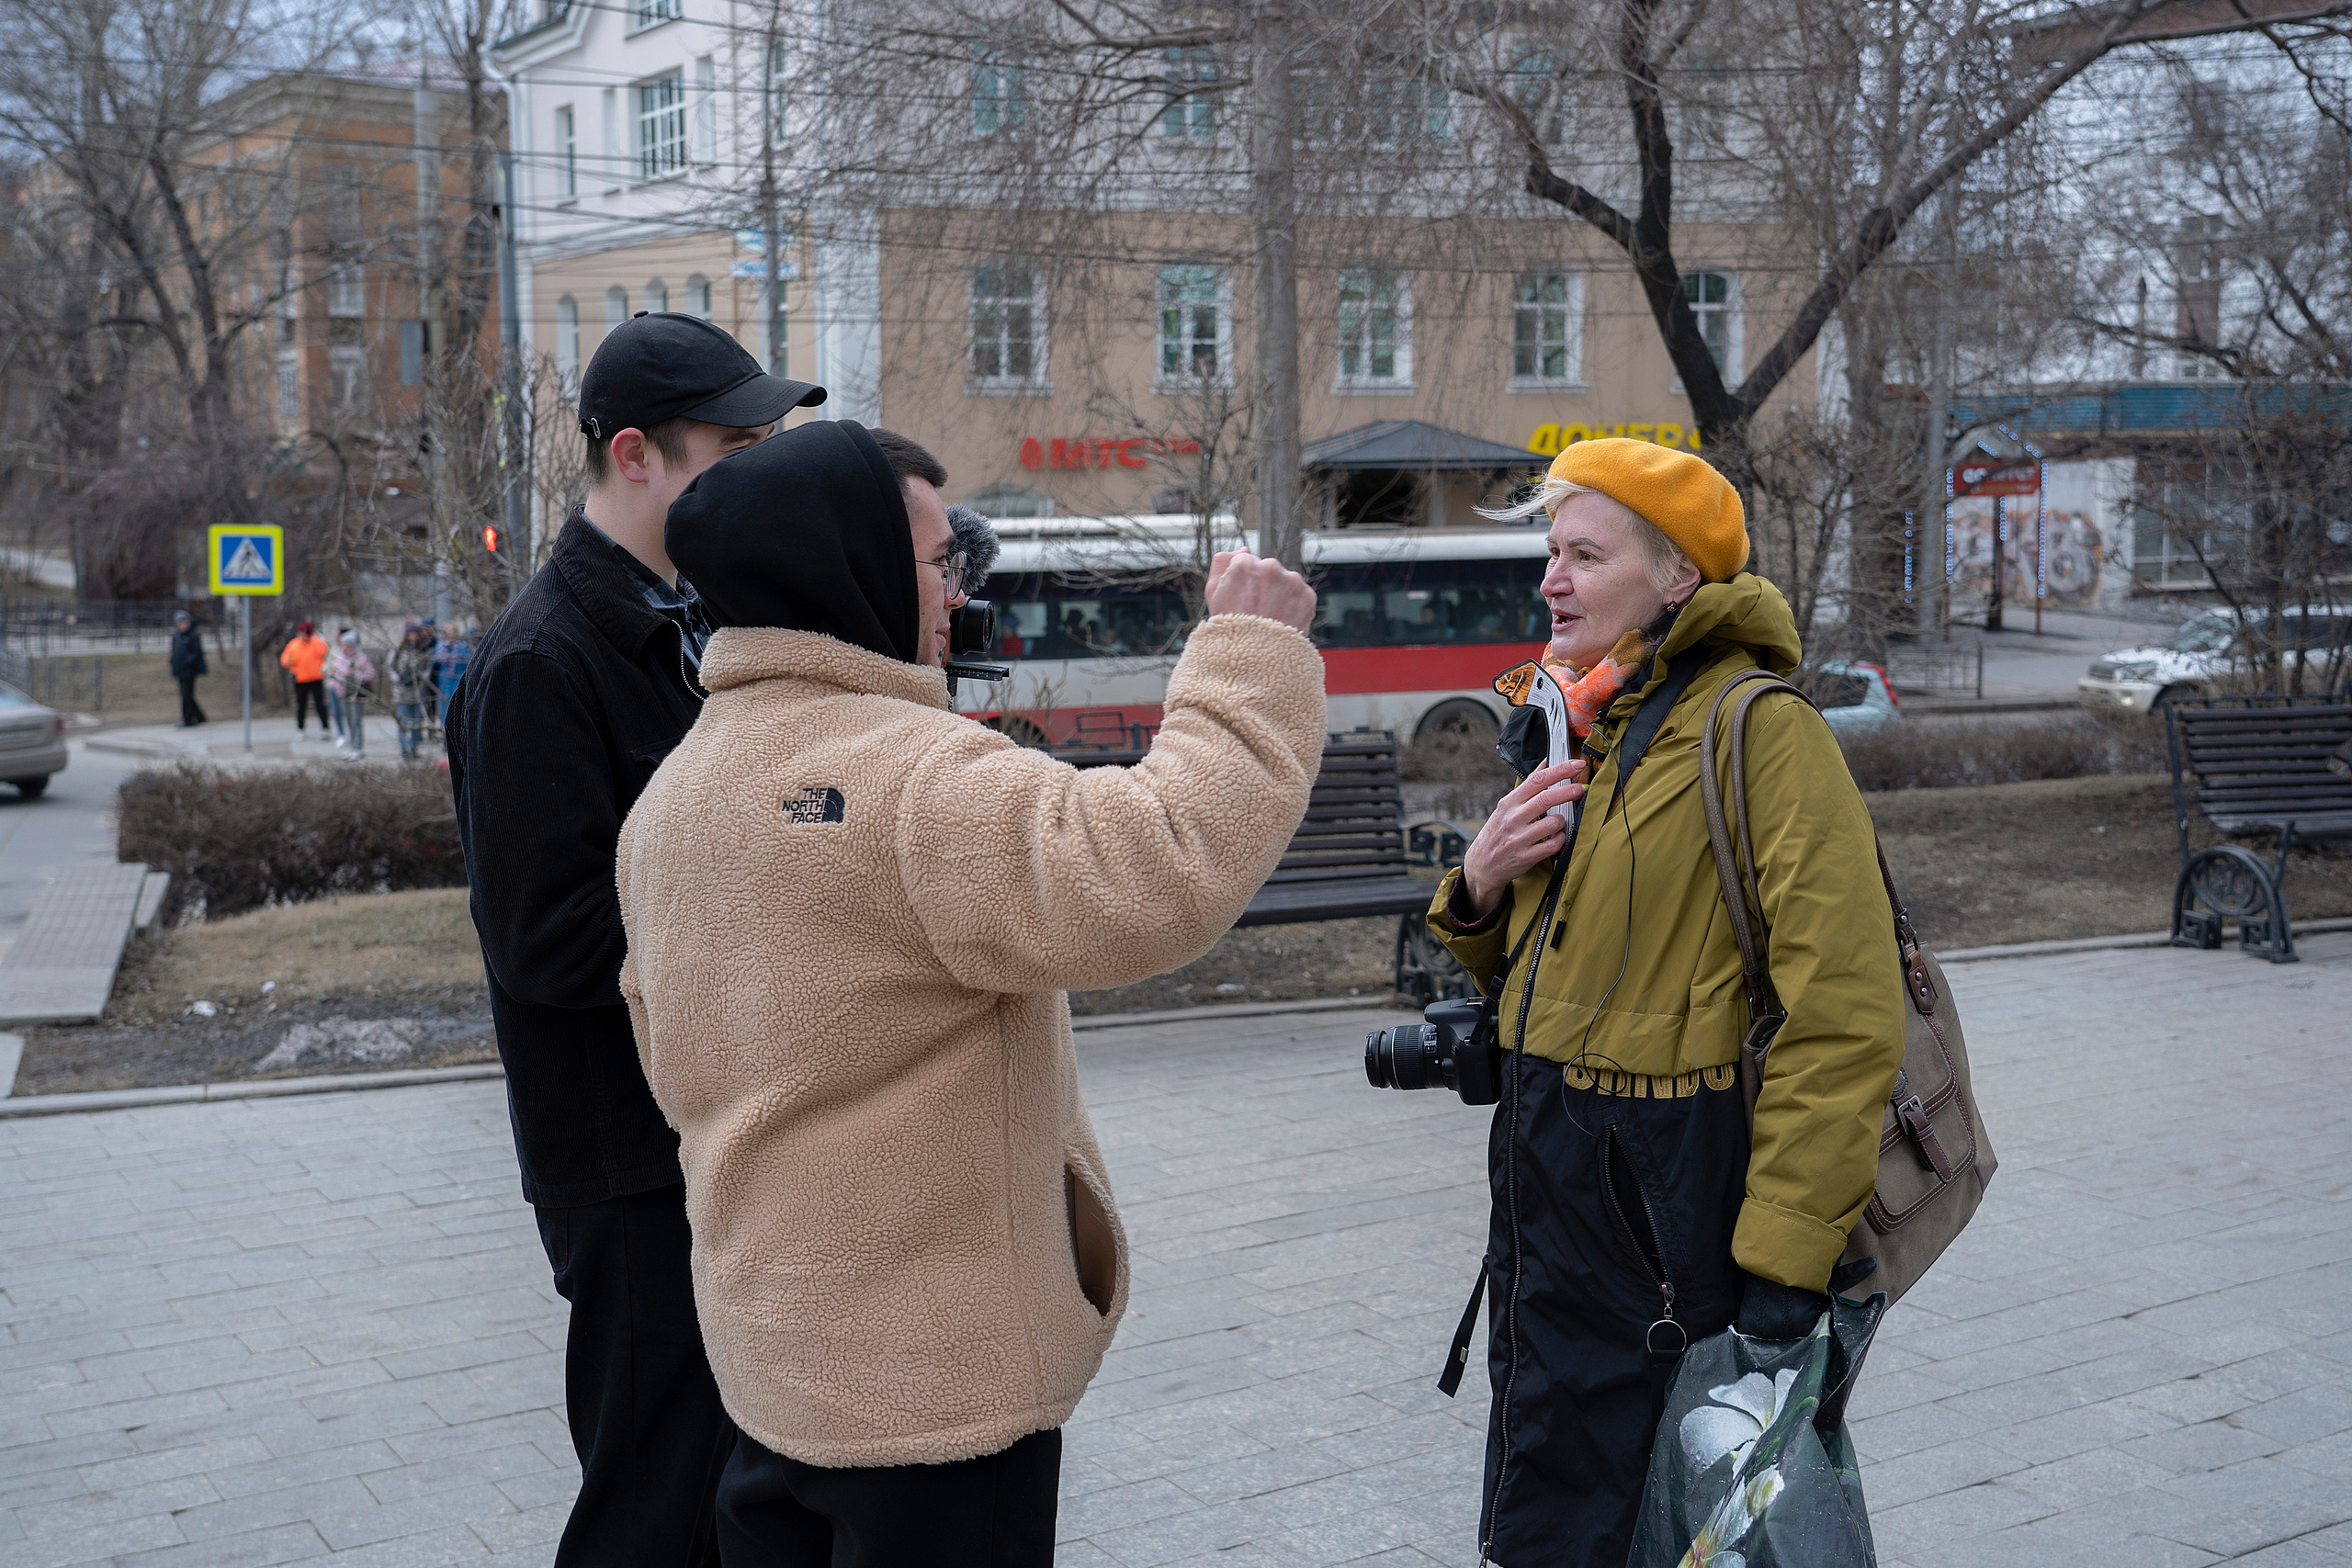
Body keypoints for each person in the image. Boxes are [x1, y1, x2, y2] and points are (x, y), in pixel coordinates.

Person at [617, 420, 1326, 1567]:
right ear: (846, 566)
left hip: (766, 1368)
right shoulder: (916, 778)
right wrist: (1249, 650)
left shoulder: (672, 797)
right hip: (934, 1391)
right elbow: (1159, 867)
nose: (959, 591)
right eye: (939, 560)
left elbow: (666, 1057)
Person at [1427, 439, 1905, 1567]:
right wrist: (1481, 886)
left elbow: (1843, 1012)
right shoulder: (1591, 723)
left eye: (1586, 556)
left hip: (1668, 1208)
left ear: (1679, 573)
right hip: (1555, 1197)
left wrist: (1782, 1269)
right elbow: (1557, 979)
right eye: (1552, 553)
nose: (1552, 579)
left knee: (1673, 1527)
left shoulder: (1758, 729)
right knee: (1560, 1513)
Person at [445, 310, 826, 1568]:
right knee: (652, 1502)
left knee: (727, 1499)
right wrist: (756, 874)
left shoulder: (694, 618)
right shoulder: (540, 660)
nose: (759, 476)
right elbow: (547, 942)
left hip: (709, 1131)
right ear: (635, 455)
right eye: (734, 450)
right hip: (624, 1159)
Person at [325, 630, 376, 760]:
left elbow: (370, 674)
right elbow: (334, 674)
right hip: (343, 694)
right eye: (343, 644)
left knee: (356, 721)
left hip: (356, 694)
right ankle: (352, 748)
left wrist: (355, 673)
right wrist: (334, 686)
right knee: (348, 721)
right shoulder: (339, 657)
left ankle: (358, 748)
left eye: (348, 645)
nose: (345, 647)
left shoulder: (361, 658)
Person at [389, 624, 435, 761]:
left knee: (417, 723)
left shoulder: (422, 651)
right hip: (402, 693)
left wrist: (420, 680)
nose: (413, 637)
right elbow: (390, 667)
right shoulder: (399, 651)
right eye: (410, 634)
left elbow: (427, 669)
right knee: (403, 723)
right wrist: (399, 679)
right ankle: (404, 750)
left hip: (418, 693)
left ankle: (414, 748)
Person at [280, 620, 330, 737]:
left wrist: (317, 639)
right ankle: (300, 727)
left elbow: (324, 651)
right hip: (300, 679)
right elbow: (285, 659)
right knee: (301, 705)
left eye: (305, 634)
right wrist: (290, 661)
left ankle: (325, 727)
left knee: (320, 704)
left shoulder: (316, 643)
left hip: (316, 678)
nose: (302, 636)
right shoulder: (294, 644)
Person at [168, 611, 208, 727]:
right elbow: (174, 653)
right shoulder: (177, 636)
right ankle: (199, 716)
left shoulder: (193, 635)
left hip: (189, 670)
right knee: (186, 695)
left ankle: (188, 720)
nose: (183, 625)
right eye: (180, 623)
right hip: (179, 670)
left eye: (184, 622)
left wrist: (186, 662)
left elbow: (197, 653)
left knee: (186, 695)